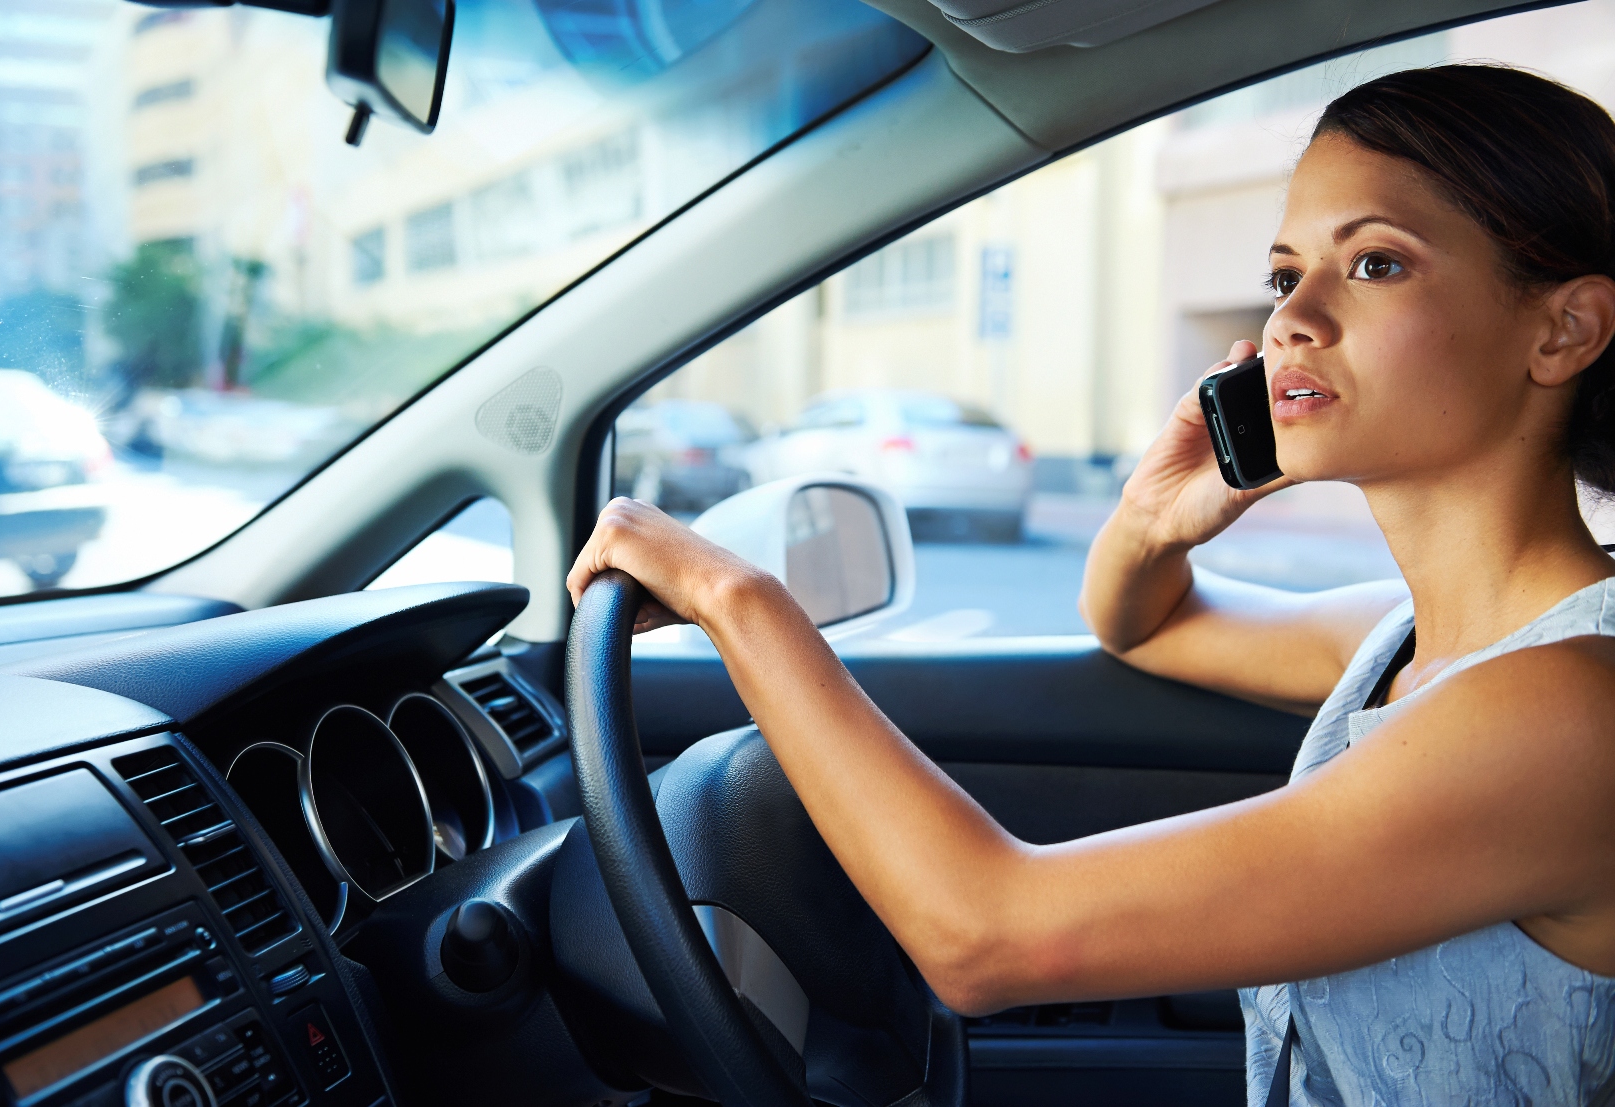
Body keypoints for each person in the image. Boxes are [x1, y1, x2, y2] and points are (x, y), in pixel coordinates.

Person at [567, 65, 1615, 1106]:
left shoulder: (1562, 713)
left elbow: (984, 937)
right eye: (1283, 276)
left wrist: (737, 601)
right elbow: (1145, 626)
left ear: (1561, 330)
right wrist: (1151, 522)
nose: (1296, 317)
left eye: (1375, 265)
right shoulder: (1410, 640)